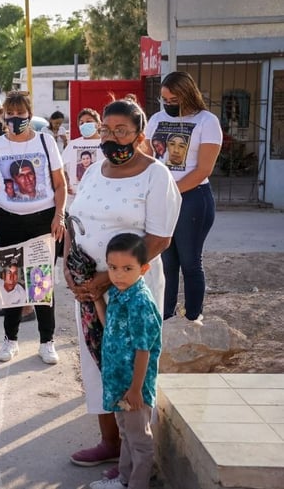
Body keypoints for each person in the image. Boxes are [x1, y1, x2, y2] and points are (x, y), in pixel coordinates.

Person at [65, 98, 180, 483]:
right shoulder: (95, 171)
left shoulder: (156, 176)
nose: (112, 139)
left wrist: (110, 277)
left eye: (122, 132)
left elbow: (160, 238)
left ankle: (132, 449)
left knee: (131, 366)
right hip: (89, 289)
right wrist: (69, 265)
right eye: (106, 131)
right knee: (99, 364)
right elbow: (74, 220)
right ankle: (108, 441)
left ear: (140, 135)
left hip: (129, 287)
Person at [0, 91, 67, 365]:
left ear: (30, 115)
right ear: (3, 115)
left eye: (21, 114)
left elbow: (59, 184)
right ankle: (11, 340)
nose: (15, 118)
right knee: (11, 281)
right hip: (8, 221)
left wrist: (59, 215)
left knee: (41, 283)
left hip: (43, 221)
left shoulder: (45, 141)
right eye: (11, 114)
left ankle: (47, 342)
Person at [143, 71, 223, 322]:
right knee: (167, 263)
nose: (167, 103)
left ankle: (193, 317)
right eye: (164, 98)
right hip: (162, 198)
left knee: (190, 261)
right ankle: (166, 317)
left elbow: (203, 169)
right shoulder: (156, 119)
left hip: (193, 199)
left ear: (187, 94)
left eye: (173, 98)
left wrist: (170, 191)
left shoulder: (207, 121)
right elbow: (146, 156)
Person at [87, 233, 162, 489]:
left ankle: (137, 484)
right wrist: (97, 299)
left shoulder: (140, 302)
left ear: (144, 268)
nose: (118, 275)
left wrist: (136, 389)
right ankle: (124, 480)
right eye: (113, 268)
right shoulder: (121, 292)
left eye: (127, 269)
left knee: (139, 440)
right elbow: (111, 328)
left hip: (134, 387)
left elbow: (144, 350)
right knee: (127, 435)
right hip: (119, 382)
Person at [62, 108, 105, 199]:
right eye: (81, 123)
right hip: (76, 198)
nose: (85, 125)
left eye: (89, 121)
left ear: (98, 124)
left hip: (100, 196)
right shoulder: (72, 145)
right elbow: (62, 169)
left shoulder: (106, 144)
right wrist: (65, 182)